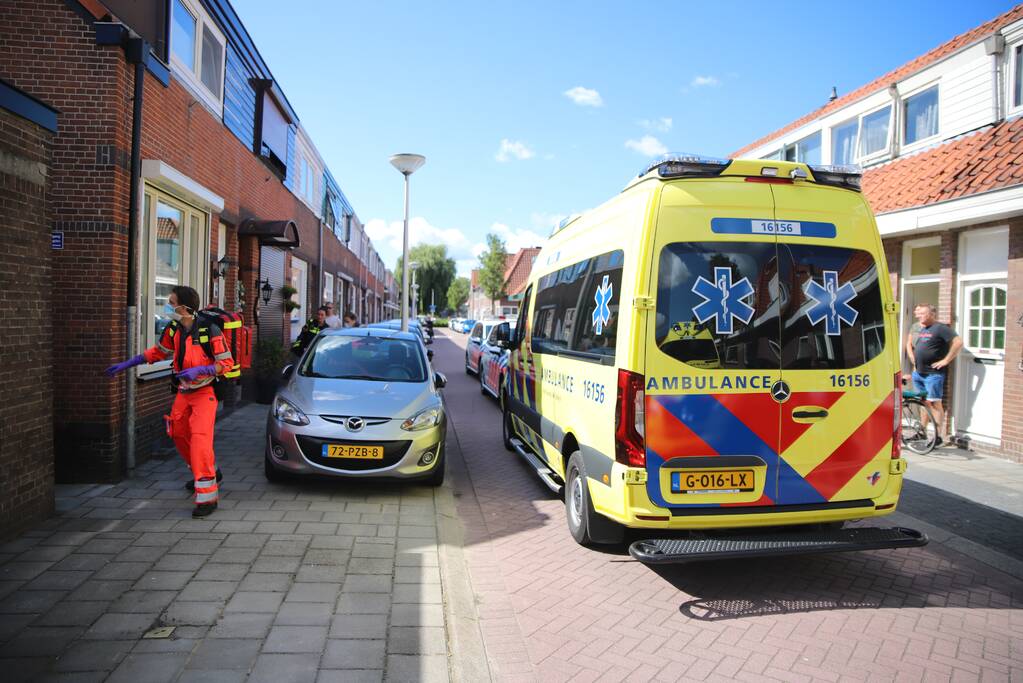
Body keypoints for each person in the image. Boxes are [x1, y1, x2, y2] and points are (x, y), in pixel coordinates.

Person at [105, 286, 233, 517]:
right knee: (177, 432)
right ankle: (207, 470)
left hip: (205, 392)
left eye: (172, 301)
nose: (168, 304)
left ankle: (207, 497)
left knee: (199, 440)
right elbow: (159, 352)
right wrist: (128, 363)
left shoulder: (209, 329)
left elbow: (226, 363)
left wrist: (202, 369)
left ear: (184, 307)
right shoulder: (174, 329)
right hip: (184, 393)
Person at [905, 303, 963, 447]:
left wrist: (946, 360)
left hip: (933, 374)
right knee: (923, 402)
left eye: (923, 314)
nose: (919, 317)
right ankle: (922, 431)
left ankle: (938, 436)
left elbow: (958, 342)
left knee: (934, 403)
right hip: (919, 373)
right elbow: (915, 346)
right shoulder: (923, 328)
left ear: (932, 314)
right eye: (918, 314)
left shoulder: (941, 328)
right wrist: (914, 369)